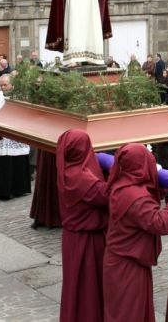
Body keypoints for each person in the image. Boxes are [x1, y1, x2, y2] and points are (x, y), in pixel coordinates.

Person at [102, 144, 168, 322]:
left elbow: (145, 193)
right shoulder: (135, 198)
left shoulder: (121, 183)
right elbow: (159, 222)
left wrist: (154, 176)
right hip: (128, 266)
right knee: (129, 315)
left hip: (122, 261)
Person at [56, 130, 108, 322]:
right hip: (88, 241)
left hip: (72, 238)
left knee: (75, 285)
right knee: (88, 287)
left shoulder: (66, 168)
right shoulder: (82, 178)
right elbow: (109, 195)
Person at [0, 75, 31, 200]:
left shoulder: (20, 96)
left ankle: (18, 188)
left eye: (5, 85)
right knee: (2, 161)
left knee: (17, 160)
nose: (2, 87)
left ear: (12, 84)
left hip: (15, 133)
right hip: (2, 134)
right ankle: (1, 189)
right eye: (1, 85)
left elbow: (26, 113)